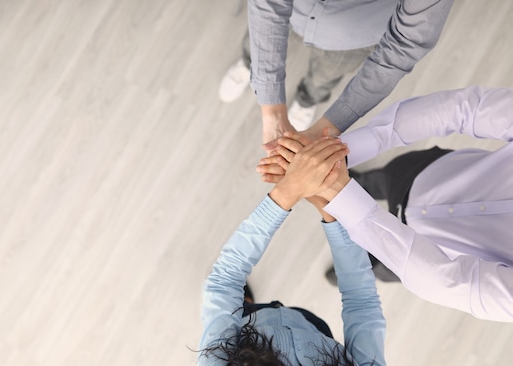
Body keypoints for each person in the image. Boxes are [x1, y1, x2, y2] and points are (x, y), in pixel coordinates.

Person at [257, 86, 513, 322]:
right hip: (423, 173)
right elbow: (466, 109)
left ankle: (356, 270)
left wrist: (336, 187)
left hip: (425, 254)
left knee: (377, 265)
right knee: (374, 180)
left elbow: (451, 283)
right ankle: (357, 180)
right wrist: (337, 153)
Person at [198, 138, 387, 365]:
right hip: (311, 326)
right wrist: (330, 207)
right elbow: (362, 302)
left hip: (249, 325)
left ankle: (244, 304)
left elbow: (224, 281)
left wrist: (289, 190)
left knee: (233, 310)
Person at [218, 0, 454, 152]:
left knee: (323, 78)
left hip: (349, 40)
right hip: (289, 10)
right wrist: (272, 110)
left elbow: (406, 43)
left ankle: (307, 99)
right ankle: (251, 65)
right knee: (256, 44)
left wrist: (329, 126)